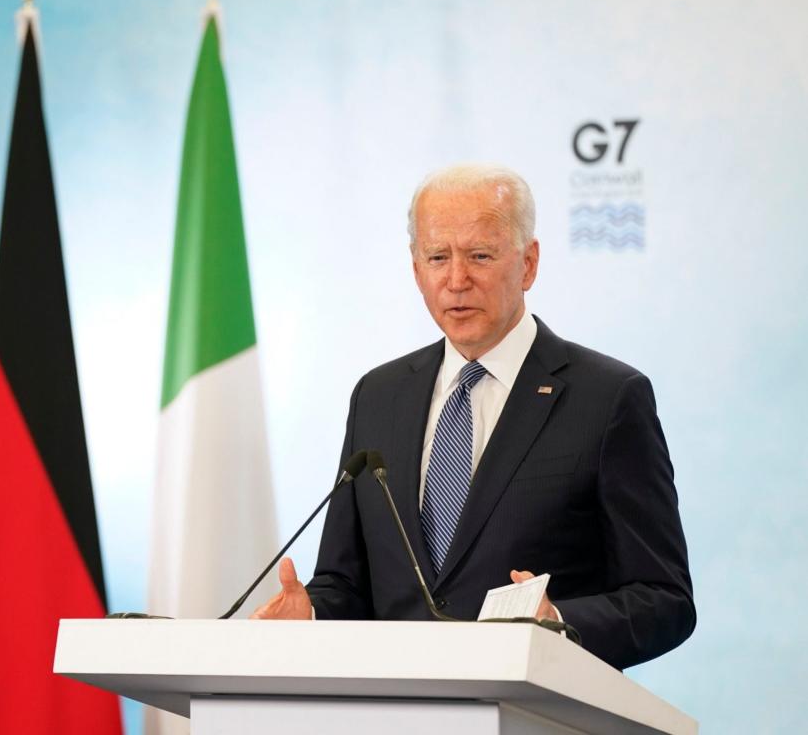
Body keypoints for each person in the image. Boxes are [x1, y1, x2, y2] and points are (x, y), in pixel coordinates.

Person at [252, 163, 694, 670]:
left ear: (528, 263)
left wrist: (559, 626)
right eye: (438, 257)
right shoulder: (378, 395)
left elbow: (664, 599)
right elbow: (347, 583)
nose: (456, 280)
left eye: (480, 256)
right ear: (416, 269)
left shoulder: (609, 397)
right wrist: (309, 617)